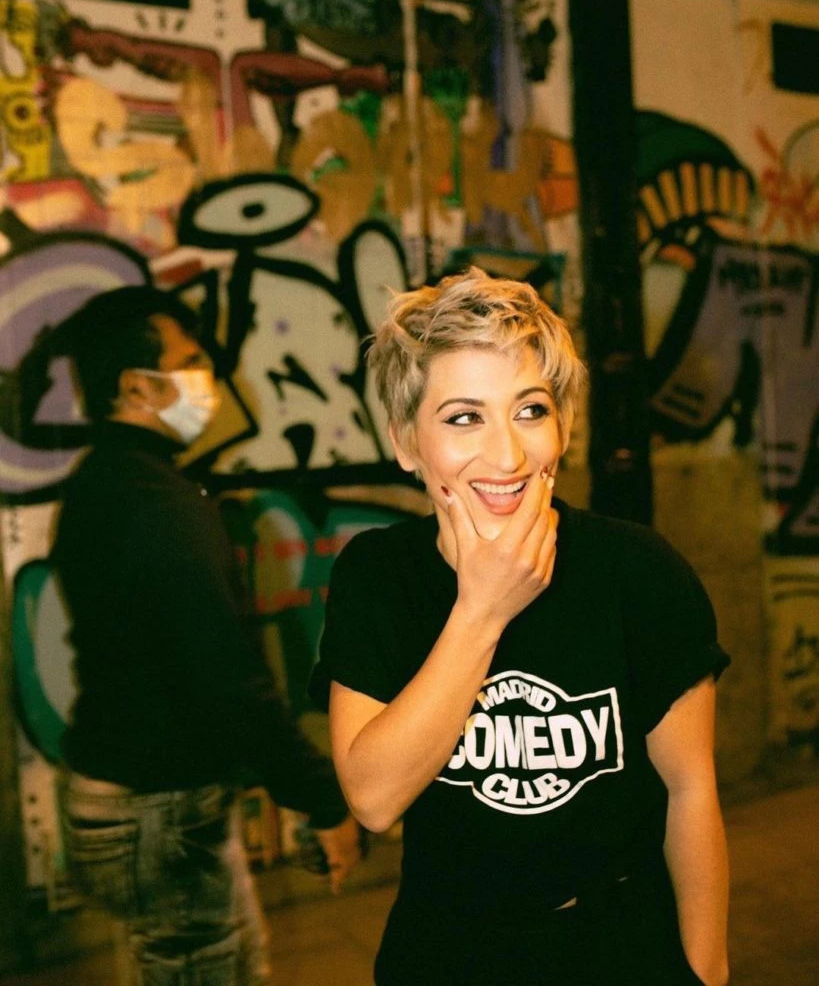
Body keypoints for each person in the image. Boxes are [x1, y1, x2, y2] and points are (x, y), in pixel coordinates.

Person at [310, 268, 730, 986]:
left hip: (619, 944)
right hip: (449, 949)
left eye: (530, 410)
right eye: (463, 417)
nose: (506, 456)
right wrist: (481, 610)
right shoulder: (379, 575)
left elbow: (690, 790)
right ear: (407, 443)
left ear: (562, 426)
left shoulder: (638, 570)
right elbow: (374, 799)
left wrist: (706, 971)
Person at [52, 285, 361, 986]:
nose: (209, 379)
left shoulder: (104, 481)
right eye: (189, 362)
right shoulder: (157, 504)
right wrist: (320, 797)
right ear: (137, 386)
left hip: (129, 797)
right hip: (156, 810)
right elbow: (226, 678)